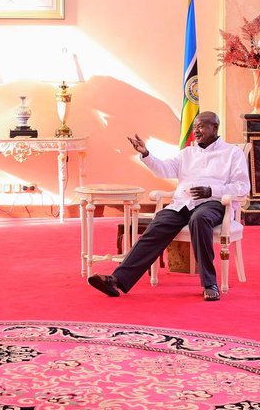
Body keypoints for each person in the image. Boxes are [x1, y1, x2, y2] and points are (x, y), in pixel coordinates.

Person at [87, 111, 250, 301]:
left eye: (201, 126)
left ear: (214, 127)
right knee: (157, 225)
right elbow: (164, 169)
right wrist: (146, 154)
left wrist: (211, 190)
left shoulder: (232, 153)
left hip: (213, 203)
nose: (196, 130)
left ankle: (209, 283)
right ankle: (116, 279)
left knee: (199, 219)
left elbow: (242, 186)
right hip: (182, 203)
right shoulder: (187, 153)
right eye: (195, 126)